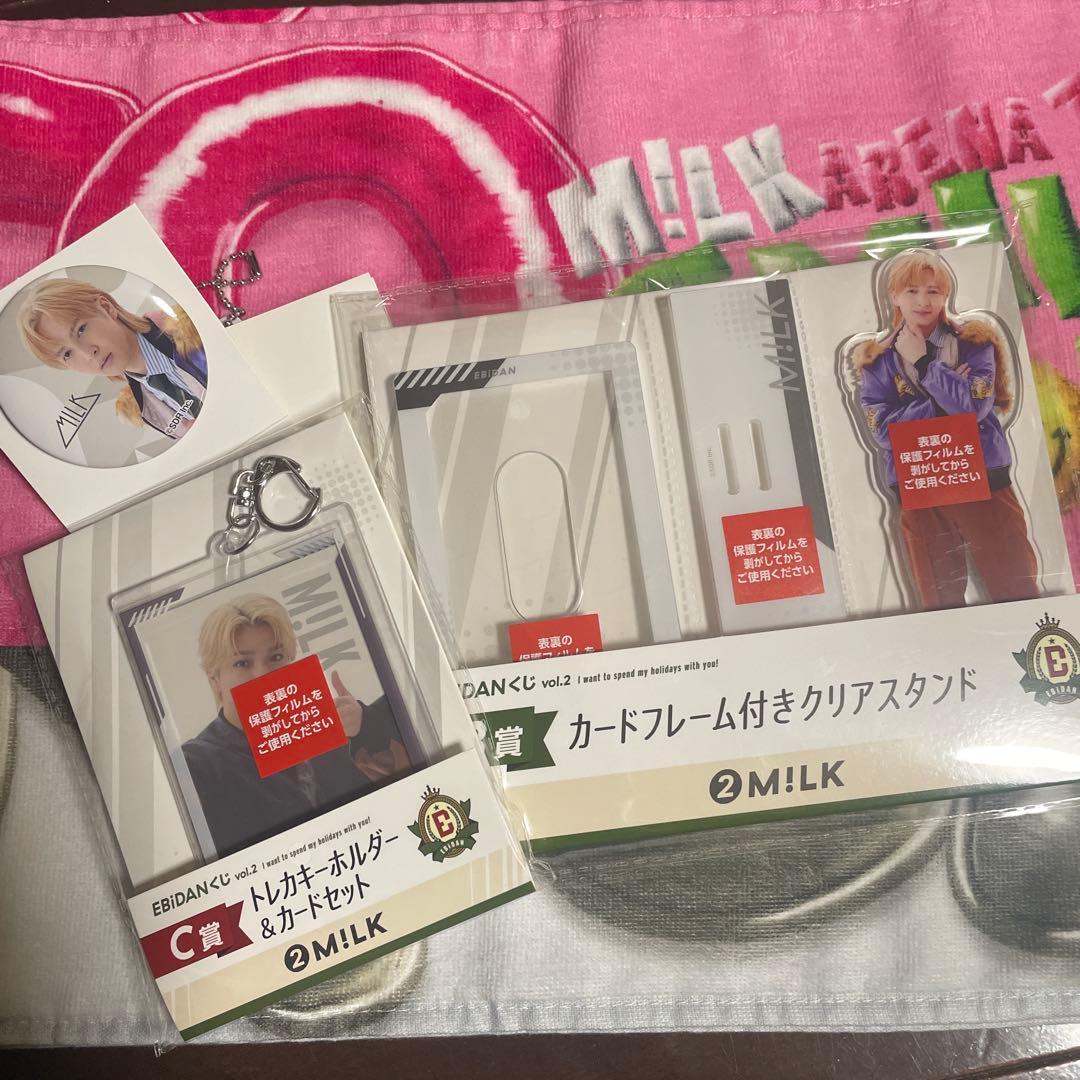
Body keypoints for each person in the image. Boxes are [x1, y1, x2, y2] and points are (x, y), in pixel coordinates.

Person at [854, 248, 1039, 610]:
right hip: (918, 483)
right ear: (894, 295)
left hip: (982, 477)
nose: (923, 301)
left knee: (1016, 585)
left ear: (946, 295)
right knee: (938, 601)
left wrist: (925, 364)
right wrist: (944, 400)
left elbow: (973, 408)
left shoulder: (974, 342)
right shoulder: (876, 360)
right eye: (911, 291)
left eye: (933, 291)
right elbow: (883, 432)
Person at [183, 594, 410, 858]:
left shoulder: (327, 732)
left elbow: (398, 803)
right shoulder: (195, 764)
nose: (262, 675)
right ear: (214, 678)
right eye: (242, 663)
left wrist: (365, 728)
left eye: (276, 657)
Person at [17, 277, 207, 440]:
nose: (87, 354)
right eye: (67, 354)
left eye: (81, 330)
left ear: (106, 308)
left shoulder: (195, 326)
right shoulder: (140, 408)